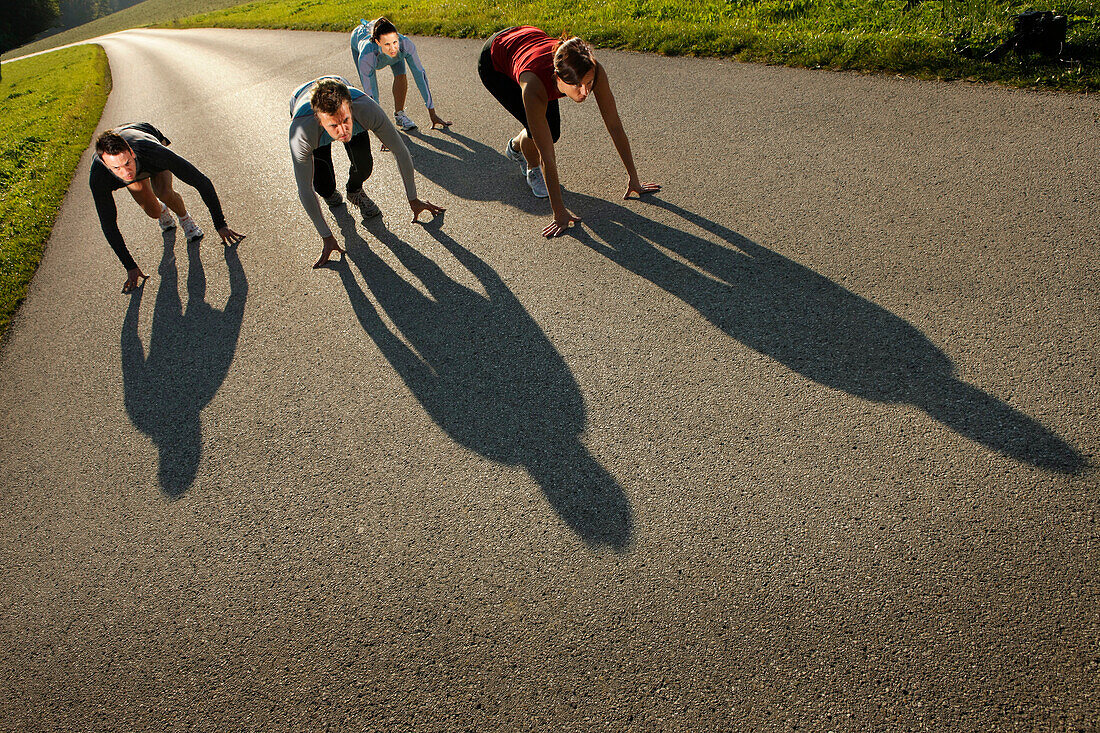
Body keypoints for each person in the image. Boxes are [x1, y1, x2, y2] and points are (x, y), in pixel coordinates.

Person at [478, 26, 661, 238]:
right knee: (544, 135)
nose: (585, 92)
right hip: (495, 62)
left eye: (588, 83)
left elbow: (614, 125)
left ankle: (516, 145)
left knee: (549, 130)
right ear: (557, 77)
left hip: (527, 39)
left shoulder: (593, 69)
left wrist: (634, 179)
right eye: (577, 86)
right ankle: (527, 162)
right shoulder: (534, 87)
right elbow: (548, 156)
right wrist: (559, 212)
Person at [289, 76, 444, 268]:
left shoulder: (365, 107)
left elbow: (400, 151)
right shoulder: (301, 130)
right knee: (323, 185)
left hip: (342, 89)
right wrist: (326, 236)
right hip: (302, 102)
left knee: (364, 165)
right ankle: (330, 193)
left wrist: (413, 199)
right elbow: (304, 187)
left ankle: (354, 191)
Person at [90, 123, 245, 293]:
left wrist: (220, 224)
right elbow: (108, 224)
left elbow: (201, 182)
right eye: (116, 168)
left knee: (164, 192)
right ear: (106, 166)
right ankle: (163, 211)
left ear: (132, 154)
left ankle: (185, 219)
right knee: (153, 211)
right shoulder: (99, 176)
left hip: (144, 142)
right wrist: (130, 266)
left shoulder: (154, 152)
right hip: (135, 160)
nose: (125, 171)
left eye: (127, 163)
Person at [350, 17, 452, 133]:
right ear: (378, 42)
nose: (393, 48)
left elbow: (420, 76)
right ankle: (375, 122)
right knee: (371, 93)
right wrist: (382, 132)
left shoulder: (405, 44)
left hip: (387, 50)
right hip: (357, 40)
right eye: (387, 44)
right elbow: (371, 94)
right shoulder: (367, 56)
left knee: (401, 74)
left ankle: (400, 115)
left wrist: (432, 113)